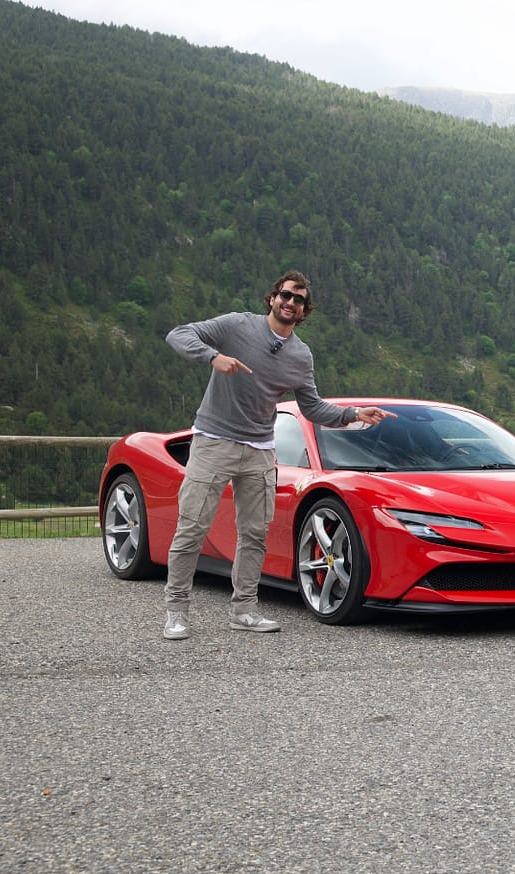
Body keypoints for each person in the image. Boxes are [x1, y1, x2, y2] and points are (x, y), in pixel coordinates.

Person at [160, 271, 395, 639]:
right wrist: (212, 357)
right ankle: (176, 612)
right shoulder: (237, 325)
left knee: (254, 534)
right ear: (272, 298)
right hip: (213, 442)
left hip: (259, 450)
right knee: (192, 527)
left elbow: (313, 407)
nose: (291, 303)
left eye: (299, 300)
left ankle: (244, 610)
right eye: (286, 295)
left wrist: (353, 414)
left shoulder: (300, 355)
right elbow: (179, 334)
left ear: (304, 311)